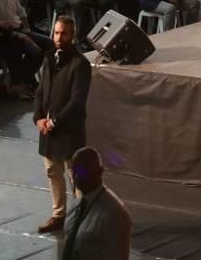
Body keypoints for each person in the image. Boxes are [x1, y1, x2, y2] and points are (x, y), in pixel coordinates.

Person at [34, 15, 93, 234]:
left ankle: (84, 217)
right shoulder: (49, 58)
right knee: (53, 173)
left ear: (73, 35)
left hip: (69, 131)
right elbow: (41, 91)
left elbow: (77, 102)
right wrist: (38, 118)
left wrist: (54, 122)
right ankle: (58, 216)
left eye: (64, 33)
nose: (59, 37)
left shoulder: (81, 64)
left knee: (77, 178)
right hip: (49, 131)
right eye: (57, 33)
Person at [62, 146, 132, 259]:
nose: (75, 176)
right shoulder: (77, 205)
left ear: (99, 172)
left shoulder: (113, 214)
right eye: (73, 171)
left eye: (82, 171)